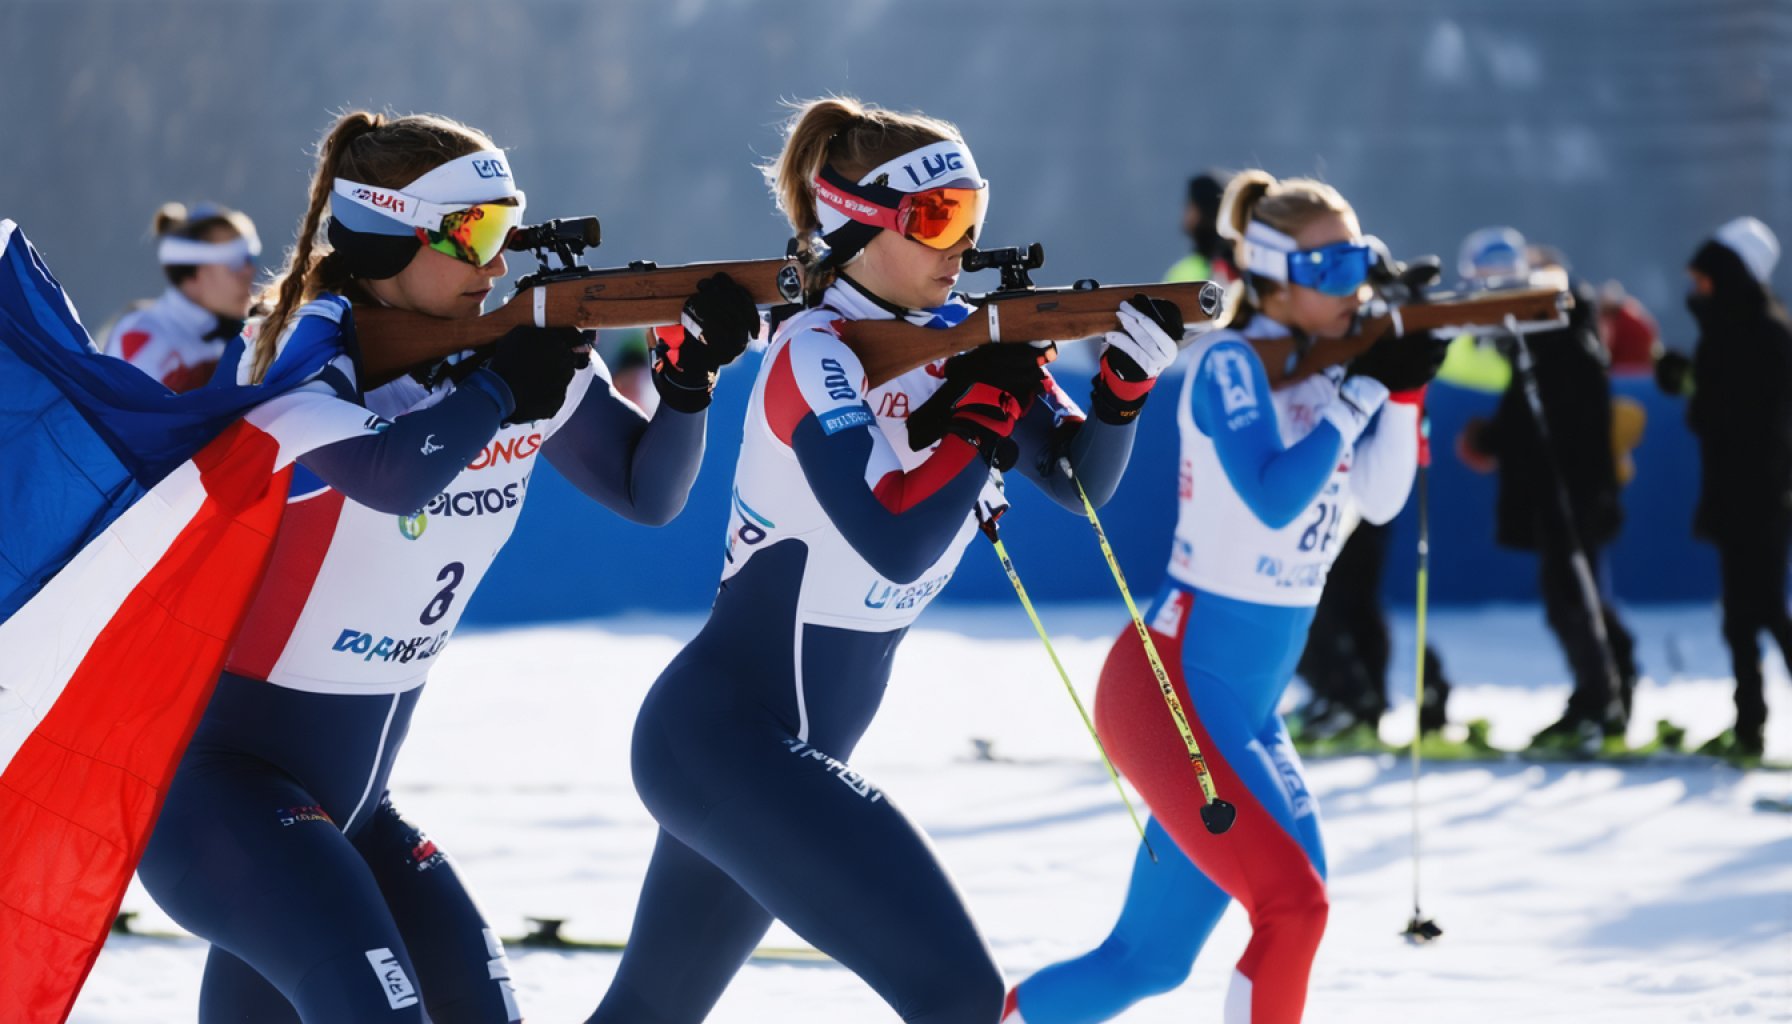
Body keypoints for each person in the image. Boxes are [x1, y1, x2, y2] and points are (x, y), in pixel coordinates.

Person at [136, 110, 758, 1023]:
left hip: (355, 804)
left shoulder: (500, 347)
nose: (497, 264)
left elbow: (646, 493)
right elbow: (388, 476)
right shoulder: (294, 348)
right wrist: (501, 387)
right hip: (225, 793)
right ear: (387, 234)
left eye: (506, 230)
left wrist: (687, 388)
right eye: (474, 234)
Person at [588, 96, 1182, 1024]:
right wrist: (981, 419)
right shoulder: (811, 352)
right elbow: (895, 540)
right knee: (960, 998)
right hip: (725, 741)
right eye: (940, 218)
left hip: (757, 753)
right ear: (857, 228)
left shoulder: (957, 348)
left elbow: (1078, 485)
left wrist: (1119, 400)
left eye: (974, 214)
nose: (962, 244)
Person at [1006, 170, 1438, 1024]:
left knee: (1147, 960)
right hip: (1173, 682)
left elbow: (1382, 498)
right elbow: (1273, 495)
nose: (1350, 284)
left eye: (1357, 260)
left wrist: (1402, 386)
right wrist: (1360, 392)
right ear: (1271, 276)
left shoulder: (1336, 372)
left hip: (1240, 704)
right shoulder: (1230, 363)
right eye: (1326, 268)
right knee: (1294, 909)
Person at [1454, 229, 1637, 752]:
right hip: (1564, 485)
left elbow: (1553, 416)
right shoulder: (1544, 336)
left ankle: (1602, 703)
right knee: (1574, 596)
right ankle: (1602, 696)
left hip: (1572, 487)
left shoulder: (1556, 328)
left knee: (1572, 596)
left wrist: (1492, 438)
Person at [1656, 216, 1791, 759]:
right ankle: (1749, 726)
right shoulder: (1733, 332)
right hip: (1739, 493)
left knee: (1762, 610)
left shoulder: (1763, 333)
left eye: (1705, 279)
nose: (1696, 290)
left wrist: (1699, 390)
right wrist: (1684, 375)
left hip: (1762, 494)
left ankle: (1750, 724)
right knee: (1742, 615)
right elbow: (1715, 395)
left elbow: (1739, 411)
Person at [103, 201, 260, 391]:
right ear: (192, 276)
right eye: (235, 263)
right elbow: (127, 415)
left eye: (251, 259)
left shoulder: (250, 330)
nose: (250, 272)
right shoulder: (144, 337)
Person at [1163, 170, 1238, 285]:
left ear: (1202, 210)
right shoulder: (1246, 266)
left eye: (1190, 204)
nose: (1185, 212)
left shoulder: (1187, 272)